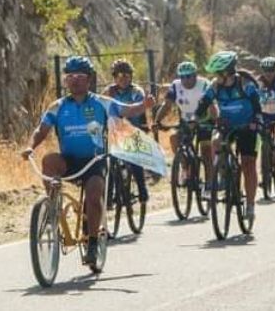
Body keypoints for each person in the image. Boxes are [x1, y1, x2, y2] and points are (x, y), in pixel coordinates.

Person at [21, 56, 153, 265]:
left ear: (89, 80)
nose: (74, 80)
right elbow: (42, 129)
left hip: (95, 161)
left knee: (93, 196)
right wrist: (30, 146)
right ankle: (53, 208)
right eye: (70, 76)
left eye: (80, 76)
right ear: (65, 81)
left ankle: (92, 243)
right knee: (49, 160)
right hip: (70, 160)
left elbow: (126, 110)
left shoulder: (101, 102)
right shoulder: (58, 106)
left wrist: (143, 105)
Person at [195, 51, 263, 223]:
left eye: (218, 73)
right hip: (227, 126)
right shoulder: (215, 86)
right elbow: (203, 103)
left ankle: (250, 205)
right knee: (215, 140)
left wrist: (256, 121)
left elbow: (257, 106)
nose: (215, 77)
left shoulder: (246, 84)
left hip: (248, 126)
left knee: (248, 164)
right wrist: (195, 118)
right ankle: (223, 173)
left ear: (227, 72)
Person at [153, 61, 213, 184]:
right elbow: (167, 105)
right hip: (185, 121)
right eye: (182, 76)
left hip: (204, 119)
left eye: (189, 76)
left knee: (206, 150)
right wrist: (157, 121)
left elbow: (212, 106)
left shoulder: (204, 84)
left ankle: (210, 182)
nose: (185, 80)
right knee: (174, 138)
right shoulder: (176, 86)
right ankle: (185, 169)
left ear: (195, 75)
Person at [105, 59, 151, 204]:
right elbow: (100, 107)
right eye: (119, 75)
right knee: (109, 159)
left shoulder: (136, 91)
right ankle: (109, 196)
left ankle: (142, 189)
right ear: (114, 77)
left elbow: (137, 109)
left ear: (131, 76)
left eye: (126, 75)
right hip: (114, 128)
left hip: (133, 126)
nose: (123, 79)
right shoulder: (109, 91)